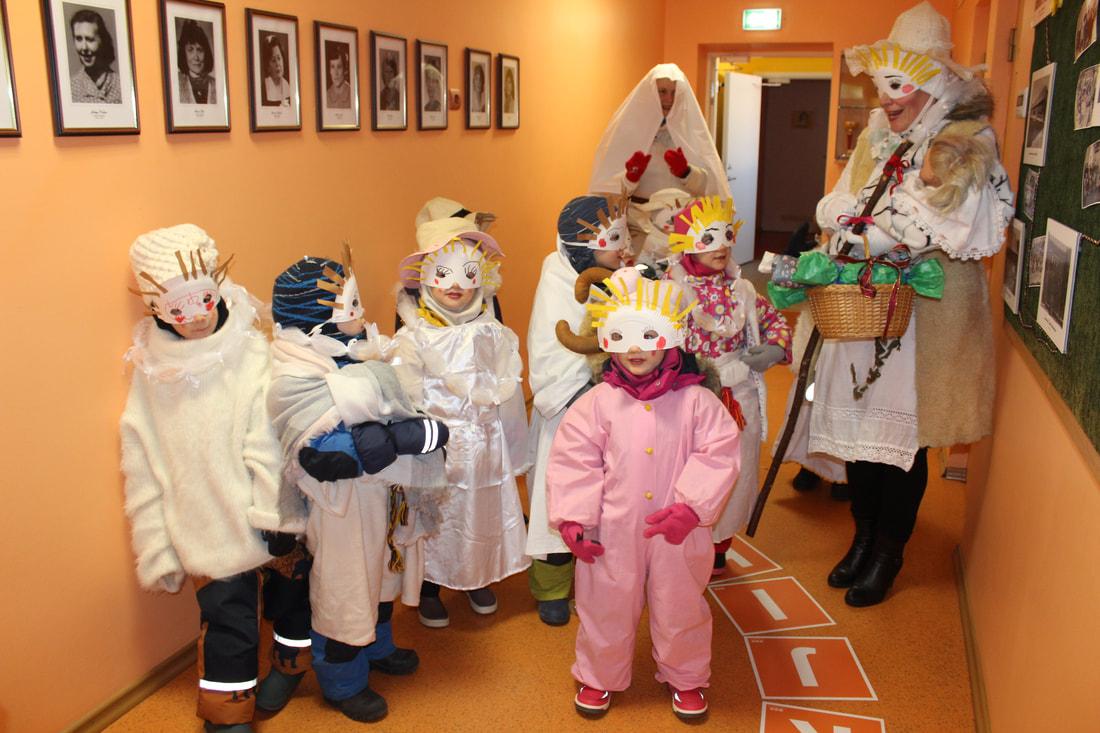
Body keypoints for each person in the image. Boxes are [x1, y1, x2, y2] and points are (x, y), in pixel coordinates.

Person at [809, 1, 1013, 607]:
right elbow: (842, 199)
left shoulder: (964, 141)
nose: (886, 97)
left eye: (898, 84)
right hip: (866, 307)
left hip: (927, 317)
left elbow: (940, 226)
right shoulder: (878, 134)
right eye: (882, 84)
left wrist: (871, 225)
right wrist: (844, 216)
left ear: (933, 82)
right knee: (860, 431)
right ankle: (862, 536)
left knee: (904, 439)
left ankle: (887, 552)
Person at [120, 225, 312, 733]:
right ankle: (228, 714)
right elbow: (142, 458)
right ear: (156, 309)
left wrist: (276, 512)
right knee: (228, 622)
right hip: (205, 522)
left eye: (204, 300)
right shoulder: (152, 373)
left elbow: (268, 435)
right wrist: (156, 545)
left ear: (218, 287)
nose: (198, 317)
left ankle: (293, 661)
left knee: (292, 597)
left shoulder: (250, 351)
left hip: (272, 512)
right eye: (178, 308)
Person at [548, 268, 740, 720]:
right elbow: (575, 459)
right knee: (605, 603)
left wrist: (692, 507)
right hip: (612, 528)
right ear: (607, 341)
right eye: (622, 337)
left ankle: (686, 676)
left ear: (672, 337)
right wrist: (574, 518)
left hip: (679, 529)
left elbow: (718, 453)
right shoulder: (597, 403)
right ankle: (598, 674)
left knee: (680, 604)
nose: (635, 349)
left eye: (648, 336)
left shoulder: (698, 402)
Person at [267, 250, 450, 723]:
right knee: (346, 593)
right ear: (316, 320)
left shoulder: (365, 356)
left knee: (384, 577)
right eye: (350, 307)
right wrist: (396, 438)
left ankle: (377, 646)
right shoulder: (292, 377)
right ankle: (342, 682)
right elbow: (323, 456)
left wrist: (395, 436)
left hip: (384, 499)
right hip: (339, 511)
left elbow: (395, 415)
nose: (362, 315)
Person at [389, 218, 530, 628]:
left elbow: (508, 391)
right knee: (436, 519)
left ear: (480, 280)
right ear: (425, 280)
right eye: (443, 275)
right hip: (437, 449)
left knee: (478, 514)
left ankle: (475, 576)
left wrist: (513, 448)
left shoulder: (493, 333)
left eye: (466, 275)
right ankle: (430, 586)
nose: (455, 286)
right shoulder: (412, 339)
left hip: (484, 447)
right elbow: (404, 399)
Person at [664, 197, 792, 576]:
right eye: (708, 238)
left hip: (739, 394)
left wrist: (775, 346)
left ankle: (721, 543)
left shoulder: (744, 290)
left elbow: (774, 321)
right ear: (686, 243)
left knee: (737, 466)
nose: (720, 247)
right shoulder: (671, 292)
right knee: (689, 467)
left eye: (726, 237)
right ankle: (687, 540)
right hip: (688, 394)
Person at [525, 195, 632, 627]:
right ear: (586, 247)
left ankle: (600, 581)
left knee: (606, 500)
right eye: (614, 240)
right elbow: (550, 353)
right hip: (567, 413)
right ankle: (551, 587)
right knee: (560, 498)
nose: (624, 249)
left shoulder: (617, 278)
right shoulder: (556, 283)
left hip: (612, 409)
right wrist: (584, 386)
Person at [589, 64, 730, 258]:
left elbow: (709, 186)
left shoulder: (689, 131)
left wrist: (687, 173)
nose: (669, 99)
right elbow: (608, 191)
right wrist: (630, 177)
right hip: (638, 226)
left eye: (674, 92)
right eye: (662, 92)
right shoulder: (627, 131)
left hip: (682, 226)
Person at [69, 9, 121, 104]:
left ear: (102, 41)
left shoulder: (121, 85)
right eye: (79, 39)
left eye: (90, 39)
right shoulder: (70, 89)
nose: (84, 47)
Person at [177, 20, 215, 105]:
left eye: (200, 50)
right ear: (183, 54)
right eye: (190, 50)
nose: (196, 57)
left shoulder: (215, 84)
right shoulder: (176, 83)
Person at [261, 35, 290, 107]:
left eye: (279, 58)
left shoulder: (287, 85)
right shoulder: (263, 88)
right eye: (273, 60)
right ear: (268, 66)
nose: (278, 64)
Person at [325, 45, 351, 109]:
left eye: (339, 67)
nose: (335, 73)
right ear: (330, 71)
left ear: (345, 70)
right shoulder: (326, 96)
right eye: (332, 67)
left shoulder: (352, 94)